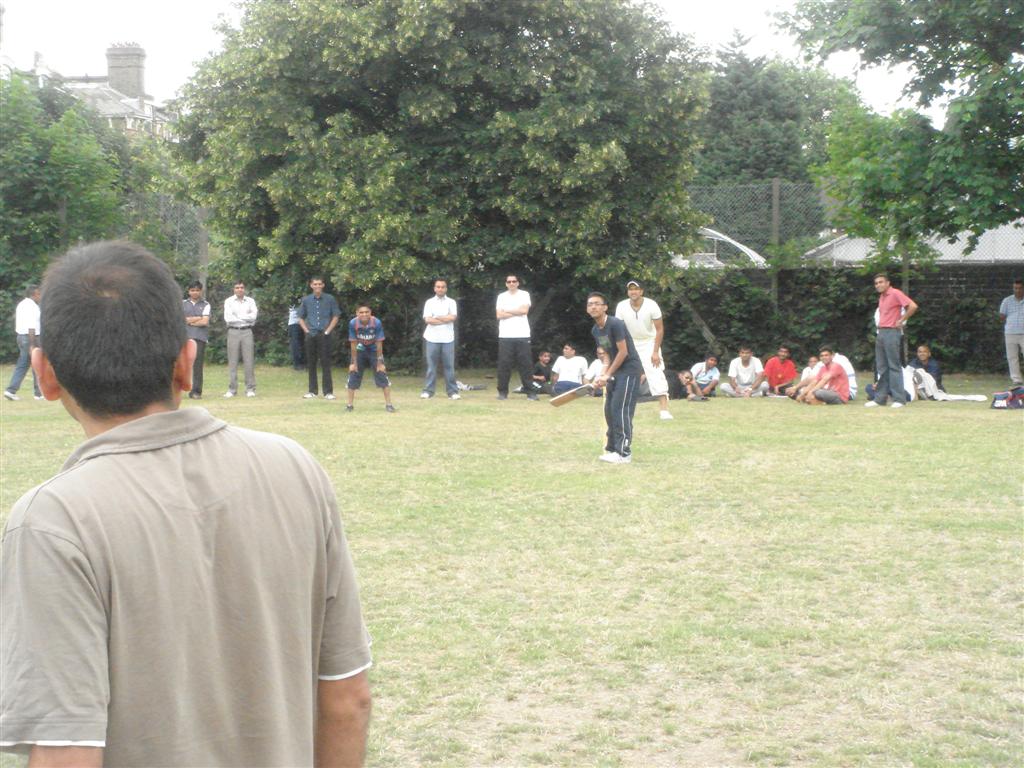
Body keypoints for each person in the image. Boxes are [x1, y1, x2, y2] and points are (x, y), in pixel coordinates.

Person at [0, 241, 372, 767]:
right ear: (186, 362)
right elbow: (347, 696)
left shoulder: (54, 520)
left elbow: (66, 751)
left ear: (45, 375)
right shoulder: (294, 467)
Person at [587, 292, 643, 464]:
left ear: (605, 307)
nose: (593, 307)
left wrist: (608, 374)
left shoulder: (615, 323)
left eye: (597, 303)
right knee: (610, 410)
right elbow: (606, 356)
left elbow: (623, 352)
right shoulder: (596, 329)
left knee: (621, 409)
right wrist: (603, 374)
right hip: (615, 371)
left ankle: (624, 453)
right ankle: (612, 450)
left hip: (629, 371)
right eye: (590, 304)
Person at [615, 280, 672, 420]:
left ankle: (664, 410)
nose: (633, 292)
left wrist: (655, 352)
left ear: (642, 291)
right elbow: (618, 330)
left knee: (656, 373)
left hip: (649, 342)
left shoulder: (651, 305)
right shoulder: (621, 306)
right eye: (630, 289)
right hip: (629, 342)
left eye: (636, 289)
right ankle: (621, 407)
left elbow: (659, 330)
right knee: (625, 373)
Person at [866, 273, 917, 408]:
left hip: (892, 332)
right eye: (876, 283)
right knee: (882, 367)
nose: (878, 285)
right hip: (881, 332)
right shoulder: (882, 297)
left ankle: (899, 399)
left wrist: (902, 320)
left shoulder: (895, 293)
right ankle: (880, 399)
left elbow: (913, 306)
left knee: (894, 366)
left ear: (888, 283)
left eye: (881, 282)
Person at [298, 277, 342, 400]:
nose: (317, 286)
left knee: (326, 363)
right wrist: (306, 331)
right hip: (311, 334)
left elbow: (336, 316)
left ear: (323, 285)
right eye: (315, 284)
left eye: (319, 284)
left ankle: (328, 392)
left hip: (325, 334)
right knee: (311, 363)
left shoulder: (330, 299)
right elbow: (300, 317)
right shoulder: (306, 300)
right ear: (311, 285)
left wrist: (328, 331)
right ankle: (312, 391)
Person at [347, 304, 395, 412]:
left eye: (366, 312)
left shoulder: (376, 322)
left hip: (374, 350)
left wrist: (380, 362)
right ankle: (349, 405)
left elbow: (379, 343)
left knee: (382, 374)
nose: (364, 314)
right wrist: (353, 362)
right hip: (359, 350)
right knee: (353, 374)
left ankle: (389, 404)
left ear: (370, 313)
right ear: (357, 313)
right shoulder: (353, 323)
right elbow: (353, 343)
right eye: (361, 312)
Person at [495, 274, 534, 401]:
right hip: (505, 335)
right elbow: (499, 315)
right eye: (509, 281)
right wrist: (516, 311)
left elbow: (524, 311)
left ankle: (530, 392)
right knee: (504, 365)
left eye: (514, 281)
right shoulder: (501, 296)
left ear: (518, 283)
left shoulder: (524, 294)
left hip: (522, 334)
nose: (511, 283)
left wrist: (507, 311)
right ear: (506, 283)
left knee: (526, 365)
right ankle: (502, 392)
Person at [421, 278, 460, 400]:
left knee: (449, 366)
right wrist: (444, 318)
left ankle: (452, 392)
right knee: (431, 367)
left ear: (446, 288)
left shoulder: (451, 302)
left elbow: (453, 318)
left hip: (448, 338)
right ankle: (428, 391)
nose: (440, 289)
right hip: (432, 338)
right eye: (438, 287)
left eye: (443, 287)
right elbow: (428, 320)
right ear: (434, 288)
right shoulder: (429, 302)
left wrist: (436, 317)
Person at [3, 285, 42, 401]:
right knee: (37, 363)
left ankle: (10, 390)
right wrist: (32, 344)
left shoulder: (21, 304)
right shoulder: (32, 307)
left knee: (23, 364)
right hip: (30, 337)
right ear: (34, 294)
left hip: (20, 336)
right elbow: (31, 326)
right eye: (39, 294)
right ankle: (38, 394)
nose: (40, 296)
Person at [223, 280, 258, 398]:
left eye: (241, 287)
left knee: (249, 361)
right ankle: (232, 389)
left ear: (245, 289)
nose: (239, 289)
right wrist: (245, 317)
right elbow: (229, 318)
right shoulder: (228, 301)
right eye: (237, 287)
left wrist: (238, 317)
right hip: (233, 331)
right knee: (232, 362)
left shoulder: (250, 301)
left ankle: (250, 388)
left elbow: (253, 317)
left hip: (247, 331)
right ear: (234, 289)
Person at [182, 281, 210, 399]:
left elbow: (205, 322)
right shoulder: (182, 304)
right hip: (184, 337)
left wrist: (189, 321)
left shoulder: (206, 304)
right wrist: (197, 318)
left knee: (197, 366)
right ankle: (177, 390)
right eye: (192, 290)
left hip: (199, 338)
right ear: (188, 291)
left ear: (201, 291)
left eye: (197, 290)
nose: (195, 292)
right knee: (181, 365)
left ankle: (196, 392)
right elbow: (180, 319)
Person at [999, 278, 1024, 385]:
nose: (1017, 290)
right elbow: (1002, 315)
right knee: (1012, 357)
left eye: (1020, 288)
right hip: (1010, 332)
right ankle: (1016, 379)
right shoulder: (1007, 300)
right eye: (1015, 288)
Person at [287, 299, 305, 370]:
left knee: (302, 344)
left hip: (302, 324)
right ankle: (297, 364)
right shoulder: (293, 298)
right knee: (296, 345)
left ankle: (302, 363)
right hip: (294, 324)